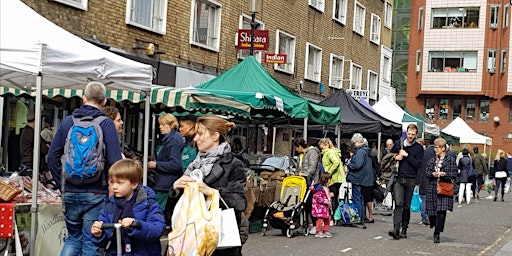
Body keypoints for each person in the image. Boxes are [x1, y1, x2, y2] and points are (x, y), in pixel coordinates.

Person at [47, 81, 123, 255]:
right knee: (91, 240)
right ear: (104, 102)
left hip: (70, 191)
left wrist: (62, 183)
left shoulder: (68, 122)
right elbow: (115, 162)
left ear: (83, 99)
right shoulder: (106, 124)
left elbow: (52, 157)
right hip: (96, 192)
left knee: (73, 239)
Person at [172, 115, 246, 256]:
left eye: (200, 134)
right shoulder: (194, 165)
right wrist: (175, 188)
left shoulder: (233, 164)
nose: (195, 139)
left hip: (218, 238)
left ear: (215, 136)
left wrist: (211, 192)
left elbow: (240, 202)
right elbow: (177, 207)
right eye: (195, 134)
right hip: (191, 237)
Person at [91, 159, 166, 255]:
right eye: (112, 182)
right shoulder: (109, 207)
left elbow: (157, 229)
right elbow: (105, 240)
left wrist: (137, 225)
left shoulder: (149, 205)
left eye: (119, 183)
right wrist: (99, 234)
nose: (114, 187)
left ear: (134, 184)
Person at [388, 124, 424, 240]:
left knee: (406, 206)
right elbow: (390, 153)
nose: (410, 136)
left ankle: (404, 228)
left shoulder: (418, 148)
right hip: (399, 177)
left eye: (413, 135)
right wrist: (395, 156)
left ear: (416, 135)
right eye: (409, 134)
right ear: (406, 133)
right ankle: (395, 229)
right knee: (398, 203)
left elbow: (418, 165)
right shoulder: (400, 143)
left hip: (411, 179)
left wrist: (407, 155)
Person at [147, 113, 184, 210]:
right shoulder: (171, 138)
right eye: (160, 124)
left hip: (167, 185)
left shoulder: (173, 141)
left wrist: (156, 165)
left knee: (158, 213)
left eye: (163, 125)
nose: (160, 127)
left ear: (171, 125)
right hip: (166, 183)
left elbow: (175, 165)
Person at [425, 137, 457, 243]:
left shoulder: (450, 160)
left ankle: (437, 233)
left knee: (441, 212)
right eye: (435, 147)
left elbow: (454, 174)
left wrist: (445, 174)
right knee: (432, 212)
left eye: (437, 147)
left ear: (443, 148)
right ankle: (434, 225)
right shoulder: (432, 160)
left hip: (444, 187)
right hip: (433, 186)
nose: (435, 149)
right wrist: (432, 174)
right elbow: (427, 172)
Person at [346, 133, 374, 229]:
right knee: (361, 199)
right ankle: (361, 218)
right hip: (364, 179)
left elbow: (357, 165)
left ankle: (359, 218)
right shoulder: (366, 151)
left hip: (357, 178)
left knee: (357, 198)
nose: (353, 144)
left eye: (354, 142)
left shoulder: (361, 152)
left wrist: (349, 163)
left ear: (357, 142)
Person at [293, 138, 321, 234]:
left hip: (311, 181)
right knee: (303, 203)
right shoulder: (301, 155)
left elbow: (312, 167)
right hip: (303, 181)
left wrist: (305, 174)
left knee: (311, 203)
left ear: (300, 147)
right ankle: (304, 223)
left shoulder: (312, 153)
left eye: (296, 148)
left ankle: (314, 224)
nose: (296, 150)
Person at [318, 138, 344, 220]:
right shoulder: (333, 152)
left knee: (331, 197)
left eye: (322, 148)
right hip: (337, 178)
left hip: (333, 178)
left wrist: (328, 173)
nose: (322, 150)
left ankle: (331, 217)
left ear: (327, 145)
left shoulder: (329, 152)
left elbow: (335, 162)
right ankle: (335, 216)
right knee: (334, 197)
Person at [19, 109, 49, 176]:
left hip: (28, 167)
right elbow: (44, 149)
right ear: (38, 119)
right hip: (30, 169)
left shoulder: (28, 131)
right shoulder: (31, 133)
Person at [419, 136, 436, 226]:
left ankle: (424, 216)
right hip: (433, 177)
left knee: (424, 198)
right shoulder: (437, 153)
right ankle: (431, 216)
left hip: (423, 177)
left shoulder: (424, 152)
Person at [311, 172, 333, 238]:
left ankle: (326, 230)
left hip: (326, 207)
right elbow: (318, 198)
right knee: (320, 220)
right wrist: (326, 201)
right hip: (320, 208)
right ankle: (318, 231)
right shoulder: (319, 189)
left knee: (327, 219)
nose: (330, 181)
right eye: (329, 179)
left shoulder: (325, 188)